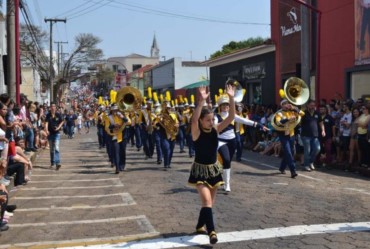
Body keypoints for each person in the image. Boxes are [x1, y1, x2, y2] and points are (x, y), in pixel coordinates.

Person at [188, 85, 235, 245]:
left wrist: (231, 98)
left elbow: (231, 117)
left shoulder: (216, 130)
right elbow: (193, 119)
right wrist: (201, 101)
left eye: (212, 119)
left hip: (214, 170)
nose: (211, 122)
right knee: (207, 202)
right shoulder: (197, 132)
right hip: (200, 171)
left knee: (209, 204)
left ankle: (200, 225)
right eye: (207, 120)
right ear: (201, 121)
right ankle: (212, 232)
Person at [274, 99, 305, 178]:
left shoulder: (293, 111)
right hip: (283, 134)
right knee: (288, 152)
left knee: (290, 152)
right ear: (282, 105)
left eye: (288, 103)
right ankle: (293, 171)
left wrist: (294, 108)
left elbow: (302, 114)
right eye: (284, 104)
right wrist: (287, 119)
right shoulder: (279, 113)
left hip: (291, 134)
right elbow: (278, 122)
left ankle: (282, 168)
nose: (287, 105)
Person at [300, 100, 326, 171]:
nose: (312, 107)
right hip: (305, 135)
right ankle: (306, 165)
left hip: (315, 135)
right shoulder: (303, 113)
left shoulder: (317, 113)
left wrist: (323, 130)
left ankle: (311, 162)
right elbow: (299, 121)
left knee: (317, 149)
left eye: (313, 105)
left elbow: (321, 123)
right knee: (307, 151)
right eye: (311, 105)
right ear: (308, 105)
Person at [45, 102, 64, 170]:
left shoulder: (58, 114)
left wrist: (59, 127)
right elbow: (46, 123)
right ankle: (52, 163)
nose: (53, 107)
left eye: (54, 106)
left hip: (56, 133)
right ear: (50, 108)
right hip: (50, 134)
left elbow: (62, 121)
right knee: (51, 149)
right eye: (52, 106)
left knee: (56, 148)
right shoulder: (48, 115)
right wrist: (46, 130)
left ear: (55, 107)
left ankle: (58, 163)